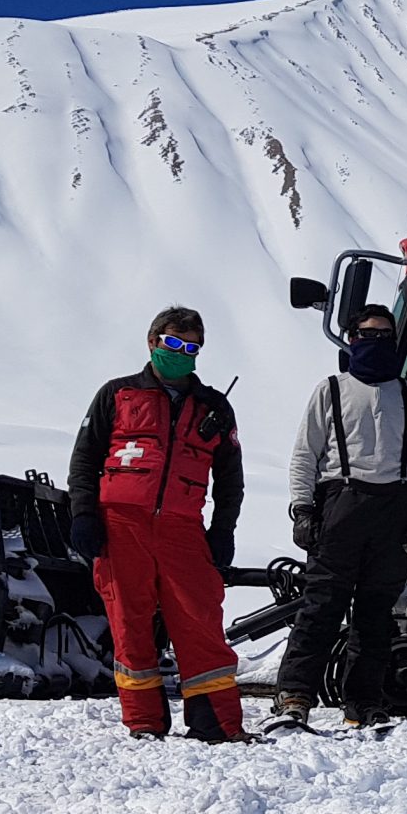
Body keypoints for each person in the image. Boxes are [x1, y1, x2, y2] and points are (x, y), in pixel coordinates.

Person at [65, 306, 247, 741]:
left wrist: (223, 530)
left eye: (192, 347)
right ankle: (143, 722)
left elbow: (230, 478)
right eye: (174, 344)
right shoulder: (118, 394)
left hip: (182, 529)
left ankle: (216, 723)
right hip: (120, 526)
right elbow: (85, 459)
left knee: (200, 620)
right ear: (153, 342)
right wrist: (84, 514)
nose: (183, 354)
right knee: (129, 624)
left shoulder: (214, 407)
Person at [273, 304, 407, 728]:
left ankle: (364, 703)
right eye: (369, 334)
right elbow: (305, 455)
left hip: (396, 510)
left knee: (375, 615)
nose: (378, 342)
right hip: (341, 505)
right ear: (352, 339)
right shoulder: (330, 390)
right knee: (320, 607)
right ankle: (295, 695)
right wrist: (302, 508)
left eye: (386, 335)